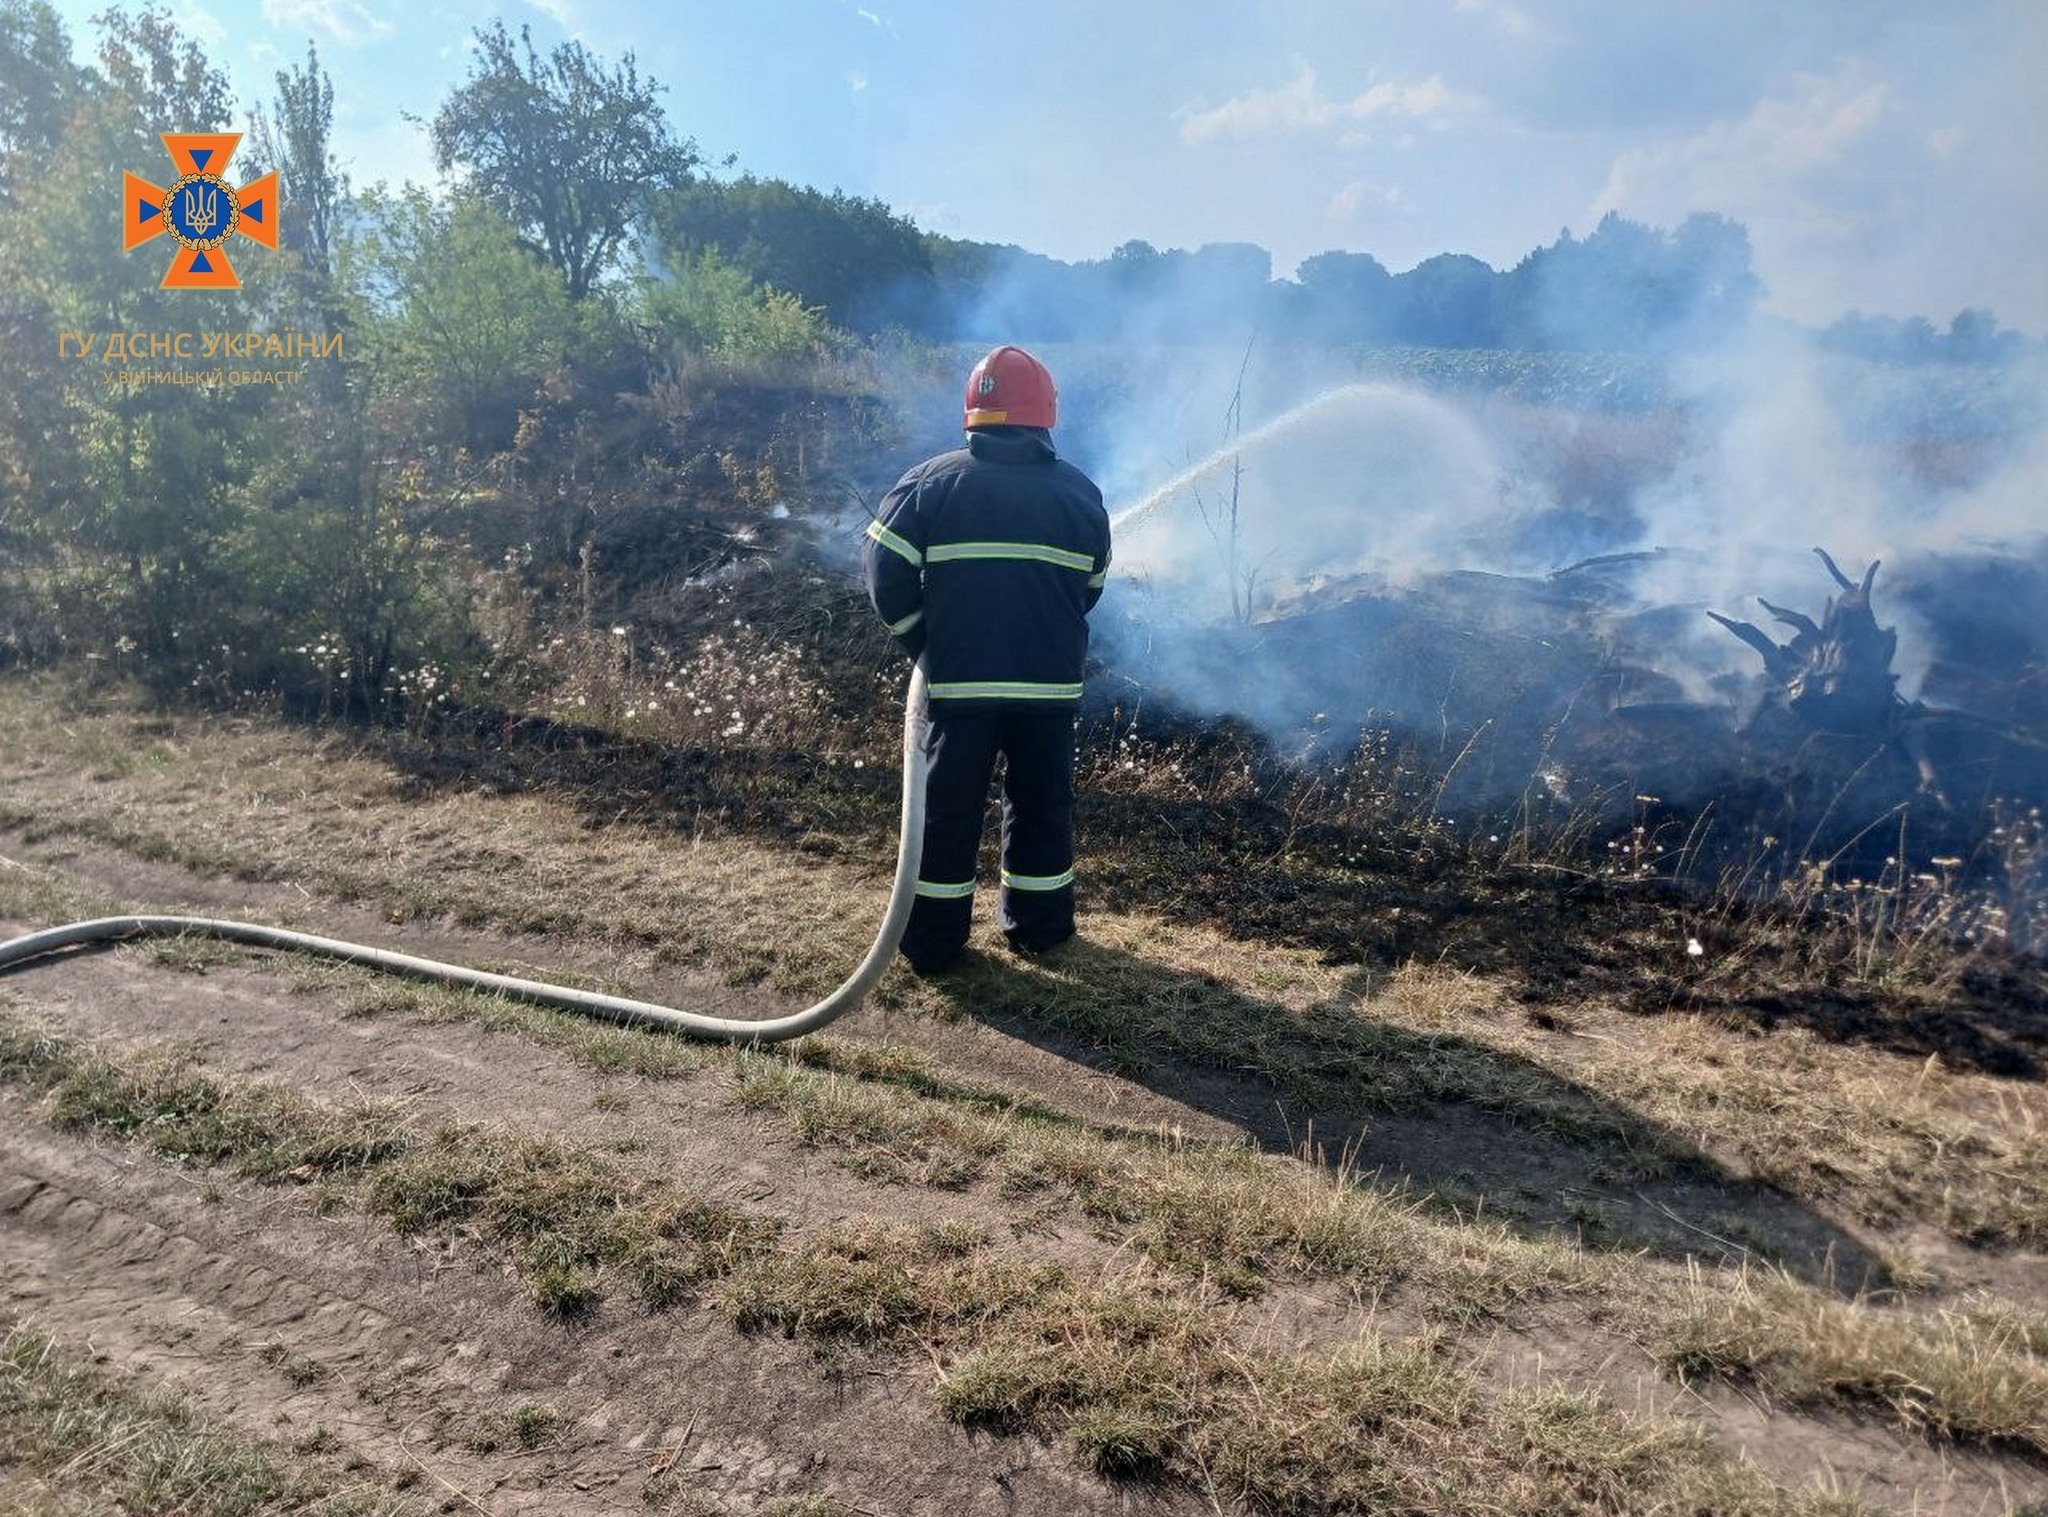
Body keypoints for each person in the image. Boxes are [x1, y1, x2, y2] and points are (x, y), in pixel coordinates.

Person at [862, 345, 1112, 975]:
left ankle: (934, 942)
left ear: (973, 412)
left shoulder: (929, 484)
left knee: (947, 810)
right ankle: (1041, 927)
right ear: (1045, 413)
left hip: (960, 685)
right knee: (1041, 805)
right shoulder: (1081, 494)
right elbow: (1090, 589)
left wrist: (923, 641)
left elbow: (882, 574)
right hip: (1048, 690)